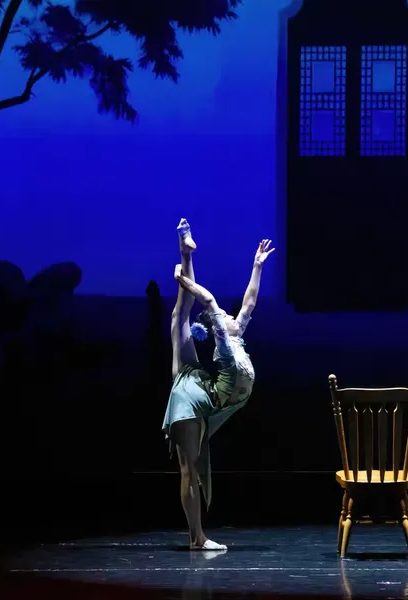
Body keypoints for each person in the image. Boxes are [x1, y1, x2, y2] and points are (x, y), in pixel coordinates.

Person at [162, 218, 274, 550]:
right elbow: (207, 303)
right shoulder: (222, 344)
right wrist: (183, 279)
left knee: (179, 318)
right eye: (224, 317)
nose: (229, 315)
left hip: (201, 390)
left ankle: (186, 250)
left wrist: (257, 266)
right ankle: (197, 538)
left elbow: (249, 303)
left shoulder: (236, 337)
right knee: (179, 316)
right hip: (190, 400)